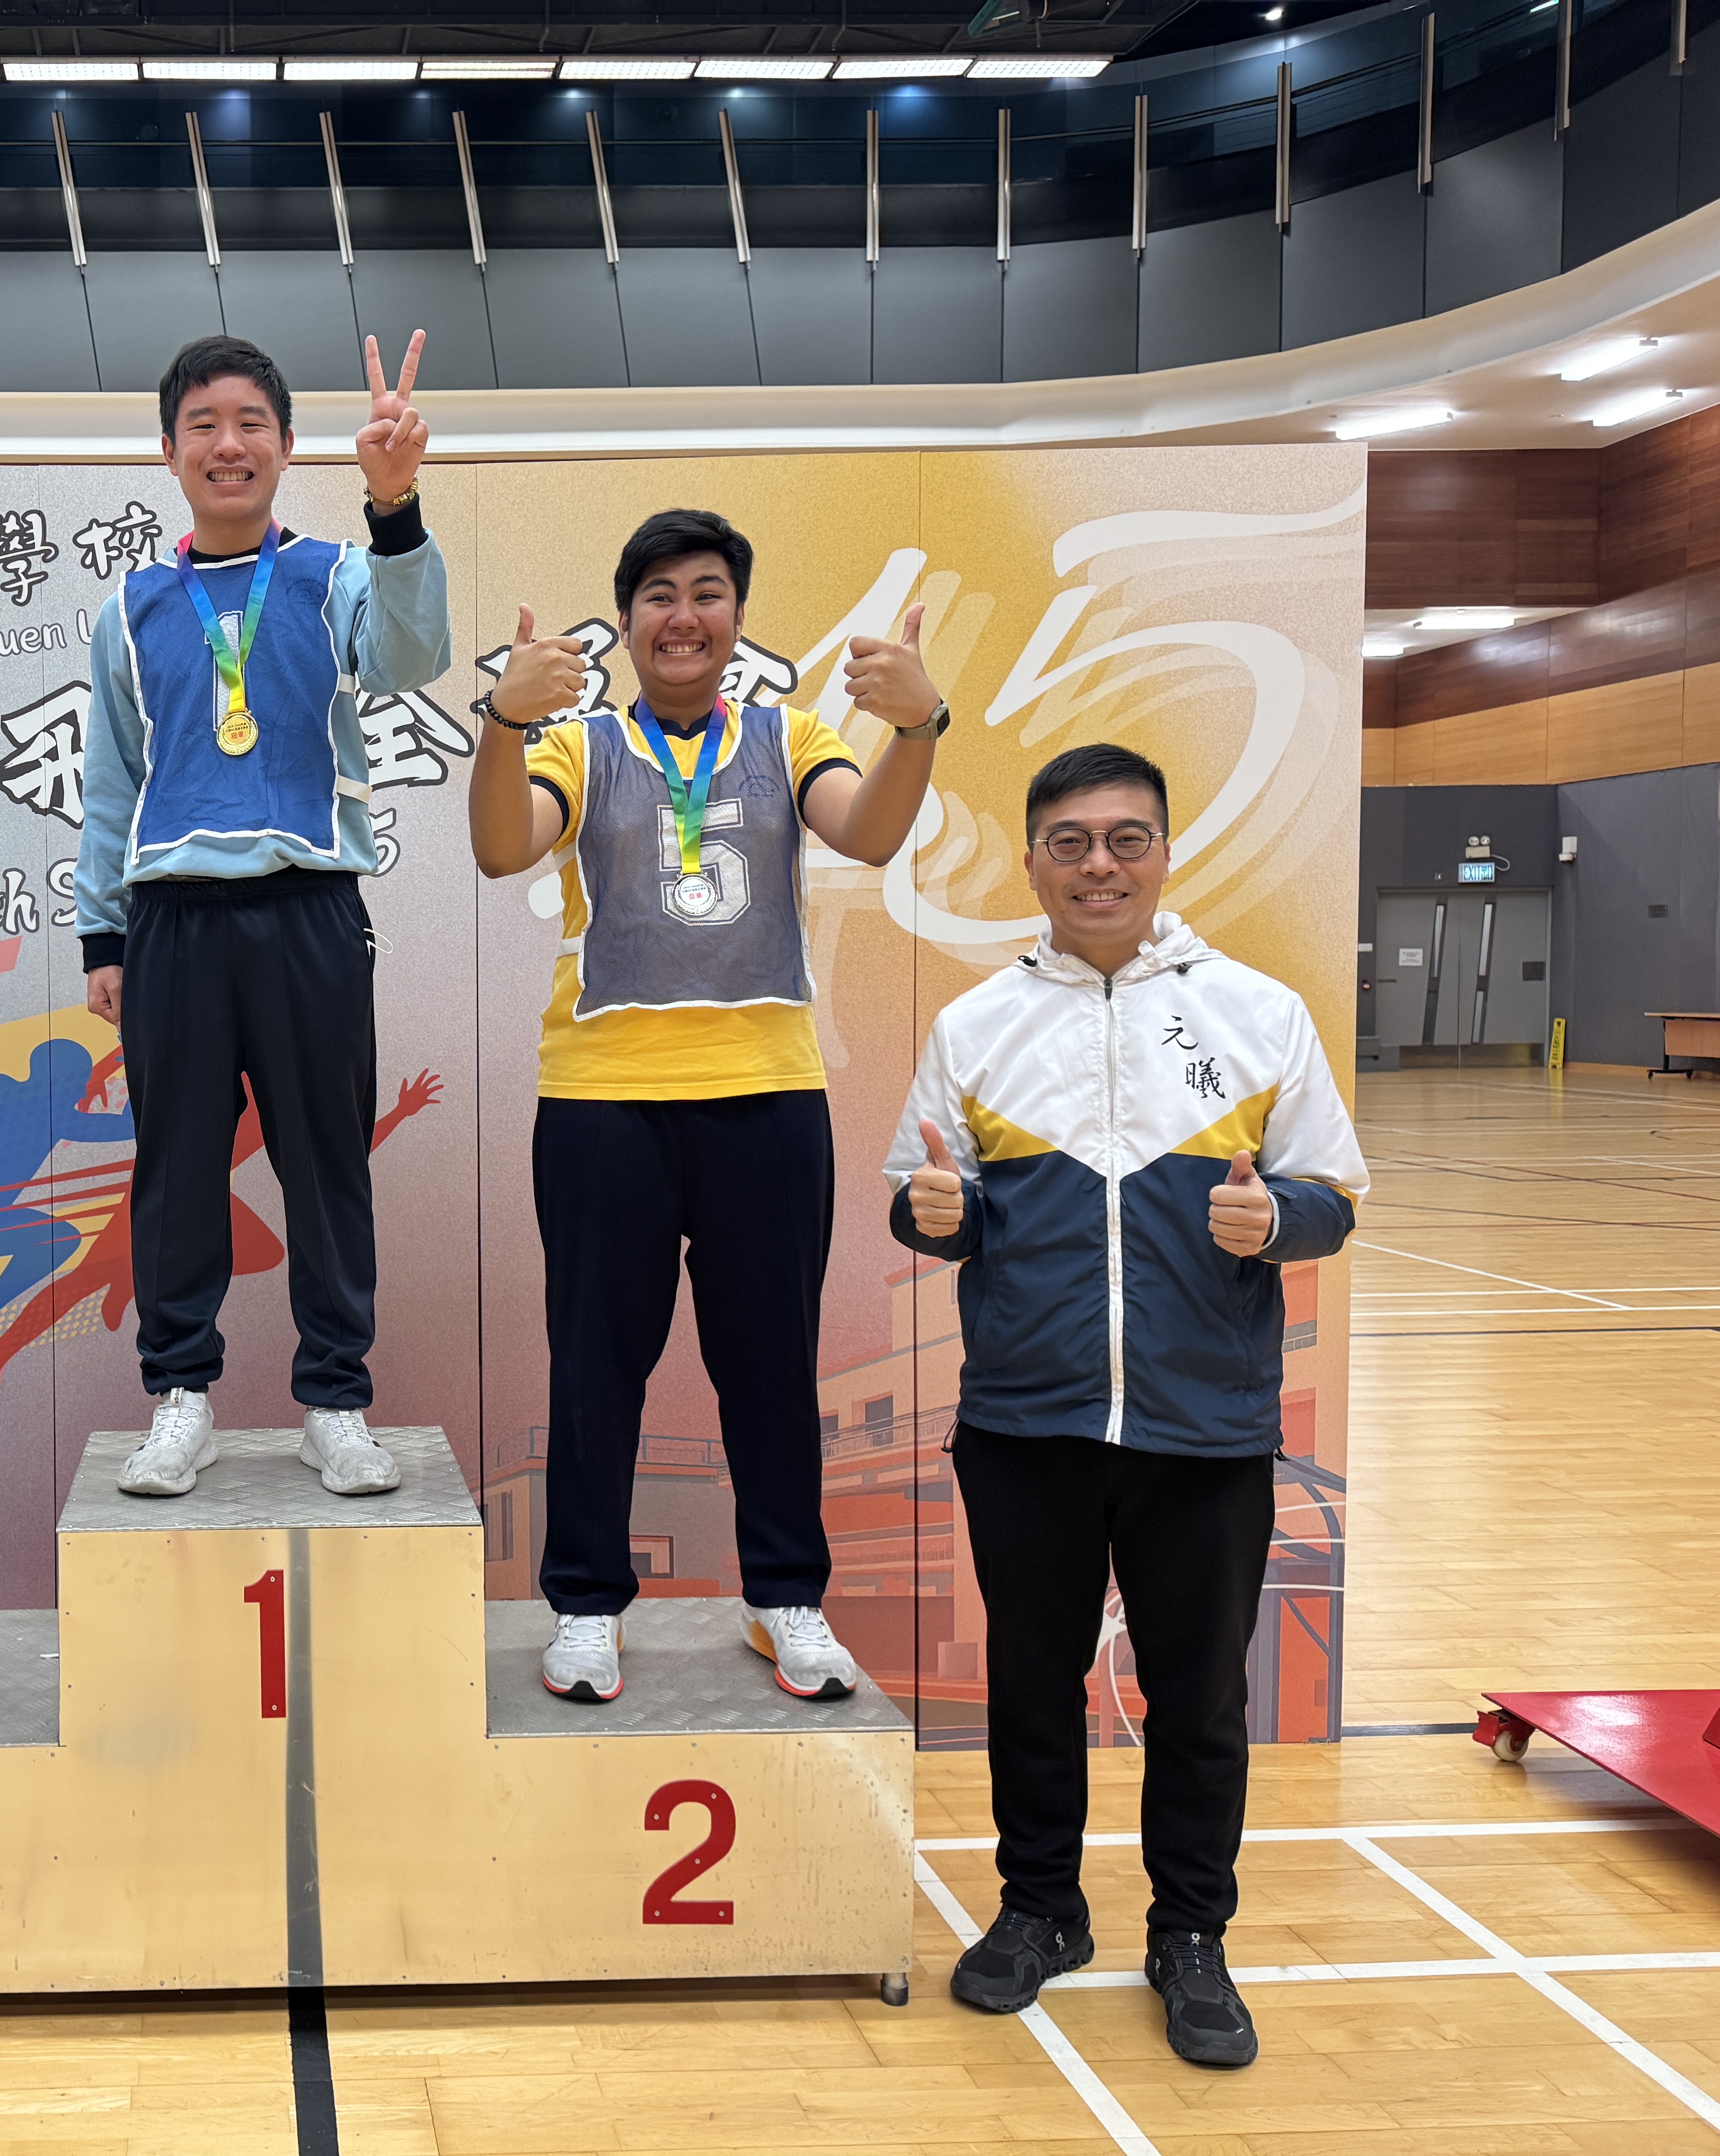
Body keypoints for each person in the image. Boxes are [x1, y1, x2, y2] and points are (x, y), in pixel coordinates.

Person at [885, 741, 1367, 2070]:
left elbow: (1332, 1192)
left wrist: (1281, 1219)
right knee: (1031, 1686)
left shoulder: (1254, 1015)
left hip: (1203, 1426)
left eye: (1125, 839)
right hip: (1024, 1422)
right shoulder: (976, 1026)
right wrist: (935, 1215)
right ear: (1033, 861)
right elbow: (924, 1201)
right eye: (1072, 842)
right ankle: (1040, 1908)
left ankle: (1191, 1934)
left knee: (1198, 1700)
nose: (1099, 865)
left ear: (1163, 853)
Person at [469, 507, 950, 1710]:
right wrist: (504, 723)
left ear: (737, 615)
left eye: (707, 593)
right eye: (660, 597)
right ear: (626, 621)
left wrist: (918, 729)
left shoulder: (791, 736)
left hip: (768, 1095)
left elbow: (869, 833)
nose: (683, 617)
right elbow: (501, 847)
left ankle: (784, 1597)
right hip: (603, 1101)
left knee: (771, 1366)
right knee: (595, 1366)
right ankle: (587, 1605)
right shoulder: (579, 746)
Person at [76, 329, 452, 1500]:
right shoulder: (130, 607)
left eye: (251, 423)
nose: (227, 443)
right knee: (175, 1171)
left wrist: (395, 508)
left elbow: (414, 656)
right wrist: (103, 935)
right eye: (204, 424)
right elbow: (112, 782)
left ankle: (335, 1401)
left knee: (327, 1165)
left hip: (310, 912)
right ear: (170, 452)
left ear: (287, 447)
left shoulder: (336, 575)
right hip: (172, 924)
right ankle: (179, 1399)